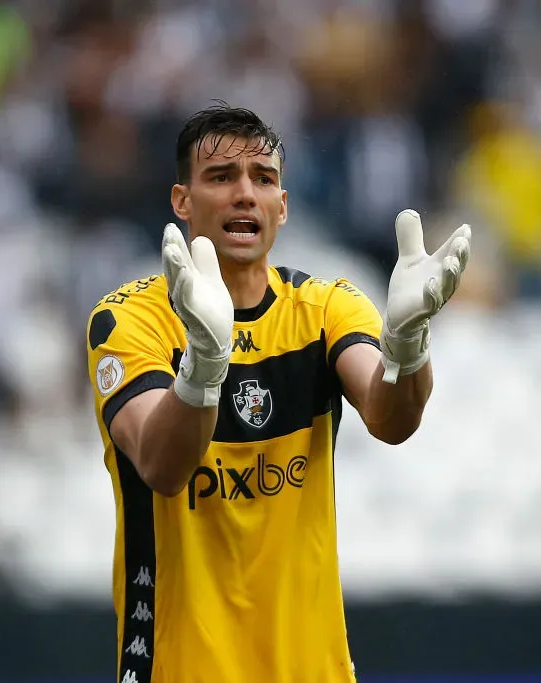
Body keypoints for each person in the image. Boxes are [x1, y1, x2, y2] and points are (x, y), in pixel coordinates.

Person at [86, 103, 471, 683]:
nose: (246, 194)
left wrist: (409, 344)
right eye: (221, 177)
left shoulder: (324, 308)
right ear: (181, 201)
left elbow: (392, 419)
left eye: (263, 179)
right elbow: (162, 466)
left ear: (282, 207)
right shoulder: (127, 321)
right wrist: (205, 363)